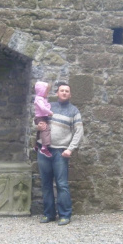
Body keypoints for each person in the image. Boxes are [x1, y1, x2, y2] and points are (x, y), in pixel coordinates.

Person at [36, 81, 83, 226]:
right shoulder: (49, 106)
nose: (64, 93)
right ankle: (49, 214)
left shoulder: (74, 111)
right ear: (57, 93)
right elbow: (37, 121)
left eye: (67, 91)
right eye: (62, 90)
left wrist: (70, 149)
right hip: (44, 150)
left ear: (70, 94)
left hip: (60, 152)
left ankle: (64, 215)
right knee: (46, 184)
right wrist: (37, 126)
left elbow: (79, 132)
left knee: (62, 184)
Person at [33, 81, 54, 158]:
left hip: (42, 117)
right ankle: (44, 148)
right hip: (40, 117)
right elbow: (42, 108)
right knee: (45, 129)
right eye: (46, 91)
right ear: (41, 91)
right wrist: (50, 112)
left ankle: (37, 145)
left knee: (40, 132)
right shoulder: (39, 99)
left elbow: (46, 105)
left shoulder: (42, 98)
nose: (47, 93)